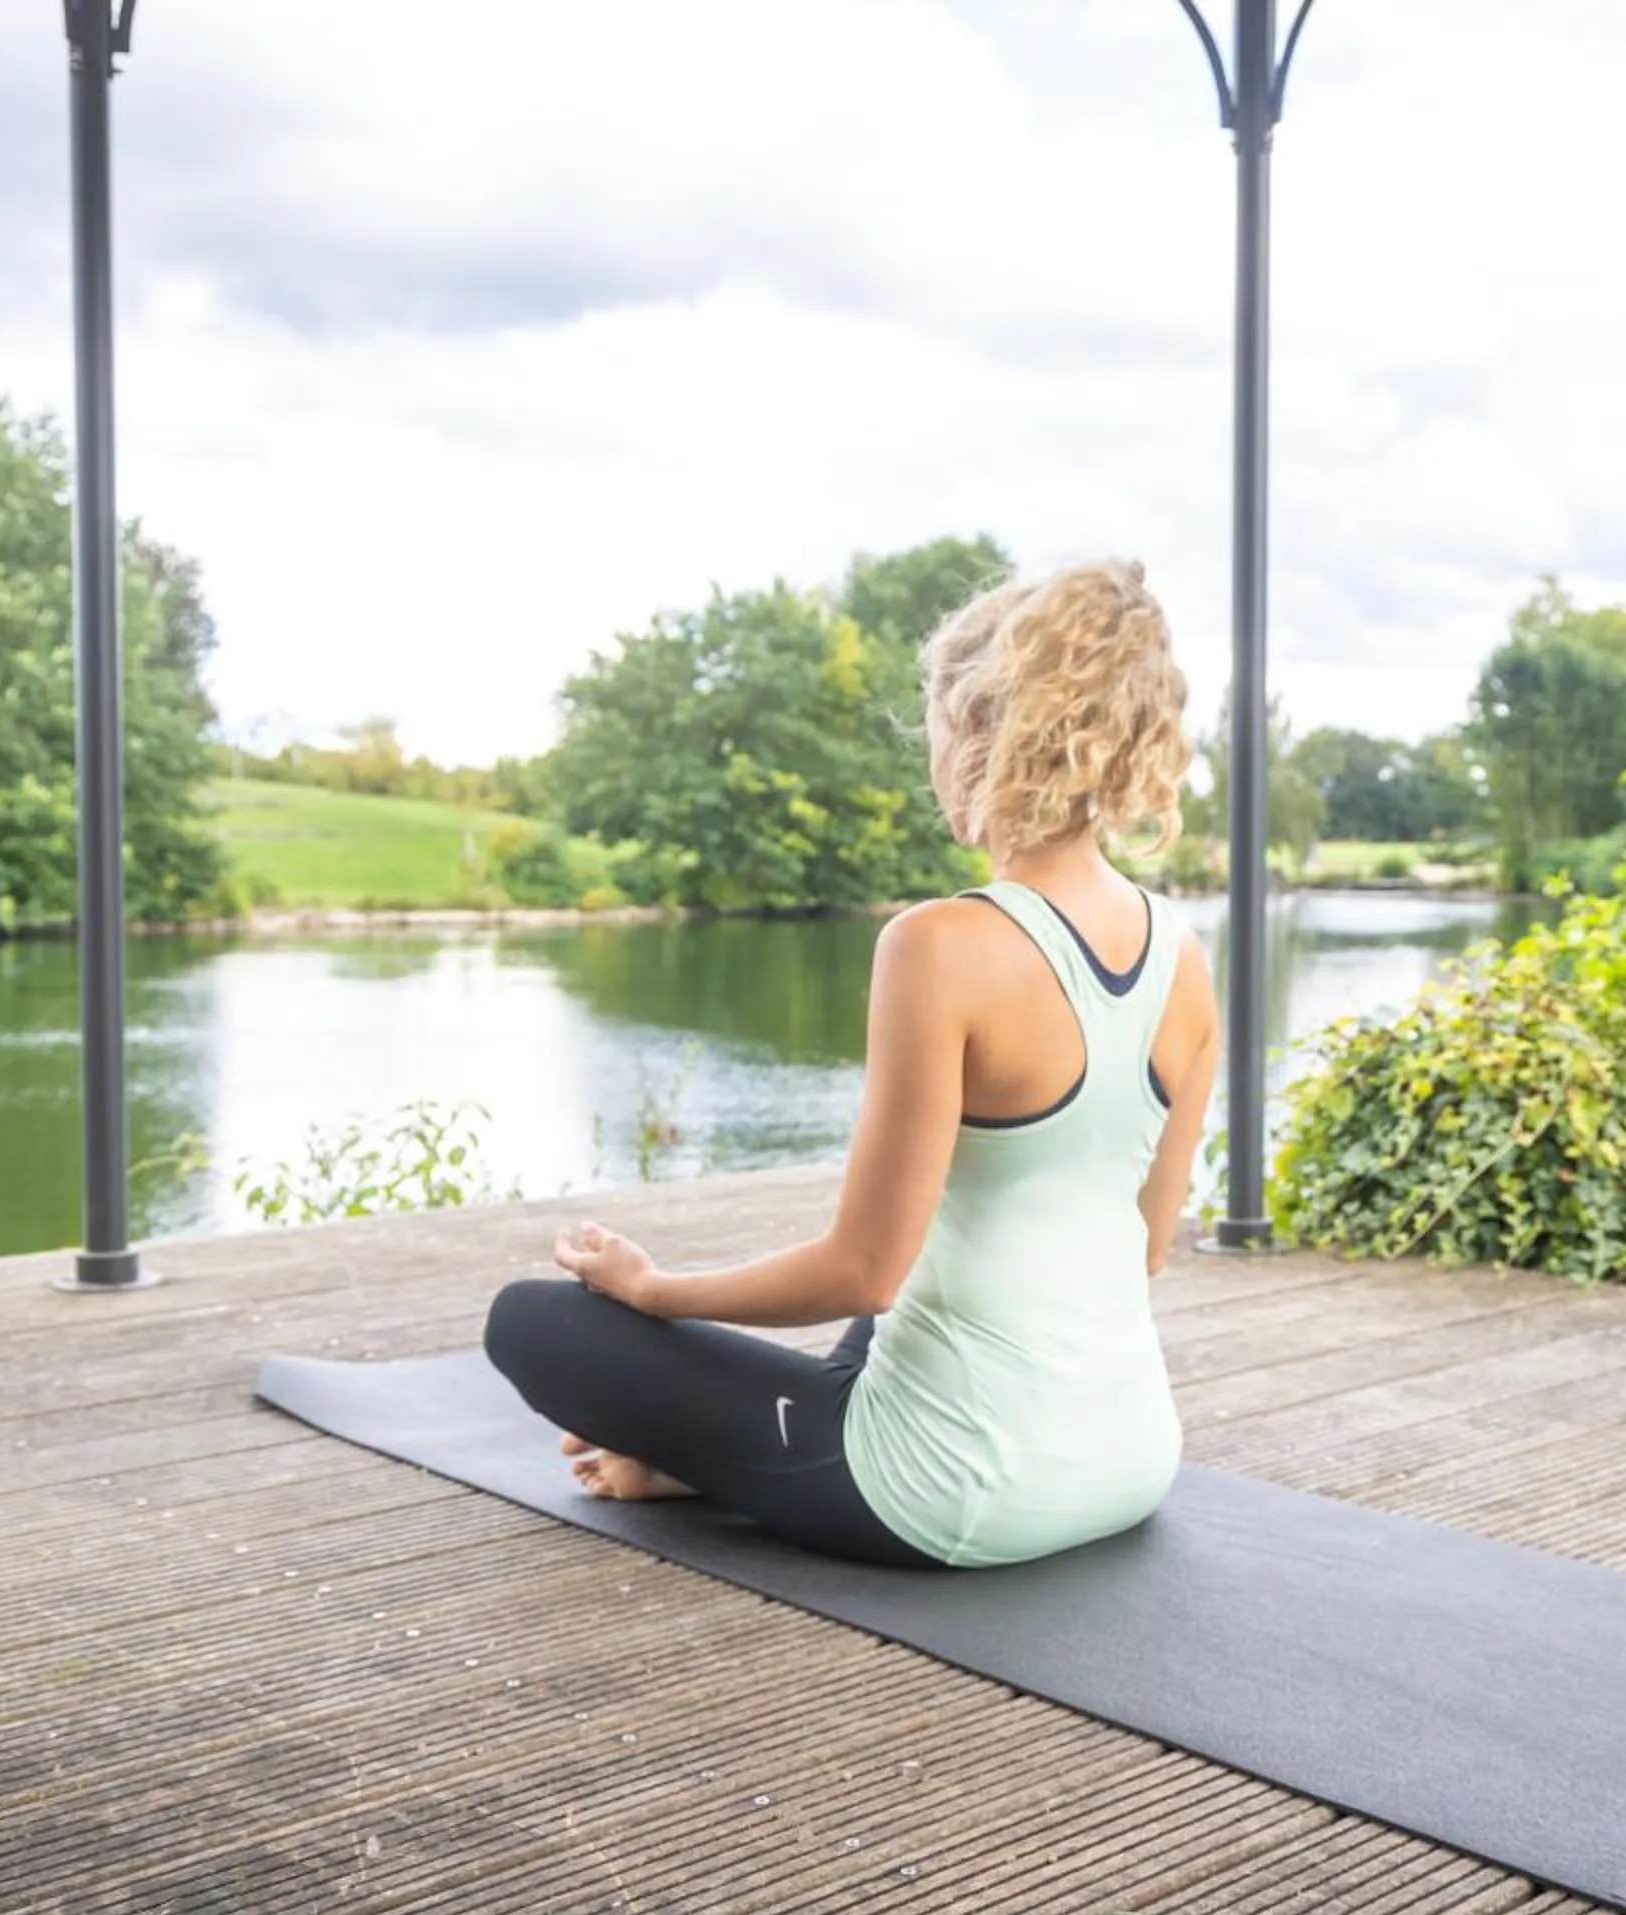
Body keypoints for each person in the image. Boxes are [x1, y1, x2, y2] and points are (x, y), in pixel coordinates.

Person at [480, 557, 1223, 1569]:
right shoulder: (1185, 956)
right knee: (909, 1310)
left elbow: (862, 1271)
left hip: (957, 1494)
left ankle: (720, 1460)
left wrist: (655, 1288)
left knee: (534, 1323)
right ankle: (709, 1461)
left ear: (974, 730)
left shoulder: (939, 945)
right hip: (1131, 1458)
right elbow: (1139, 1249)